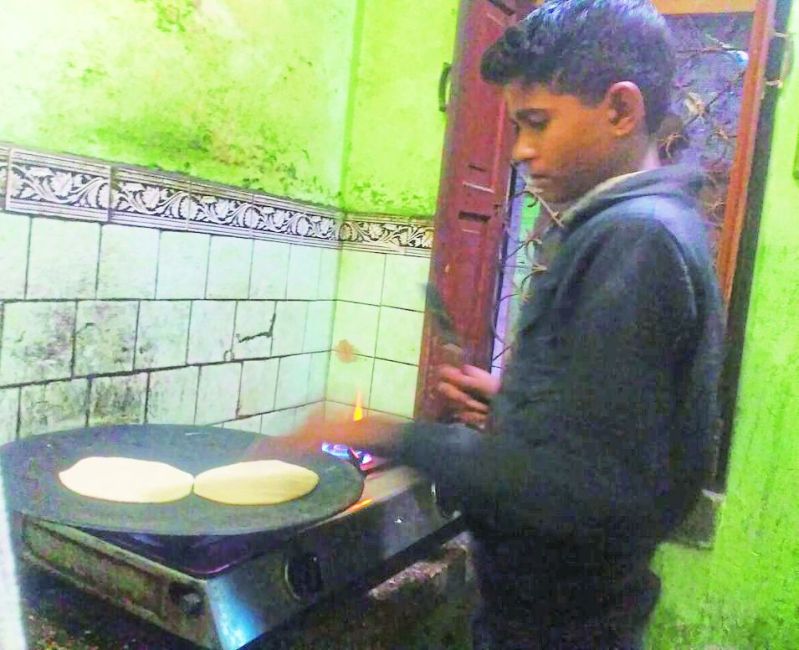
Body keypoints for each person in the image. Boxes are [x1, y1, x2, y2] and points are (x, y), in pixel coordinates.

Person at [254, 1, 724, 647]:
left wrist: (372, 430)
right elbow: (622, 441)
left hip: (558, 625)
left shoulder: (634, 239)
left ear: (620, 109)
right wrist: (519, 413)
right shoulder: (643, 227)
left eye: (536, 123)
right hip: (572, 609)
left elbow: (571, 489)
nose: (520, 151)